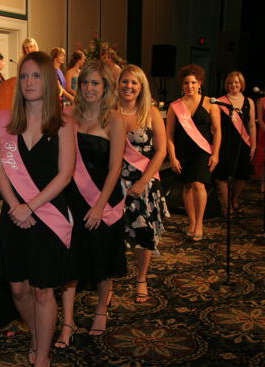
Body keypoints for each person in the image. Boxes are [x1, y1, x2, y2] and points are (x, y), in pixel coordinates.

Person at [0, 51, 75, 367]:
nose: (29, 82)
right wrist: (17, 206)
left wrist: (31, 206)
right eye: (24, 76)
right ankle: (38, 335)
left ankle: (42, 354)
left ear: (49, 81)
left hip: (48, 214)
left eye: (36, 76)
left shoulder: (64, 123)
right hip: (14, 214)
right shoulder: (7, 122)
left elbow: (65, 174)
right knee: (17, 288)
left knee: (43, 290)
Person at [54, 60, 126, 348]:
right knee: (69, 264)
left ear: (106, 87)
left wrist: (99, 206)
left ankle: (100, 311)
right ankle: (67, 322)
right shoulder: (68, 115)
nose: (89, 88)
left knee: (102, 261)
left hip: (102, 201)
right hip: (71, 200)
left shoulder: (115, 120)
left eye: (95, 83)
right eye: (85, 83)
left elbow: (115, 169)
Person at [117, 65, 169, 303]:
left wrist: (142, 182)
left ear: (141, 87)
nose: (128, 86)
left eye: (134, 82)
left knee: (143, 233)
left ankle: (141, 279)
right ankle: (108, 281)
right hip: (113, 183)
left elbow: (161, 152)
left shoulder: (152, 113)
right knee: (113, 235)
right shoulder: (109, 112)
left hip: (144, 184)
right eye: (125, 81)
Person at [166, 64, 221, 241]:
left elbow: (217, 130)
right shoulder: (175, 106)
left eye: (193, 82)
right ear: (182, 85)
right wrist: (173, 157)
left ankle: (199, 224)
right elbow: (170, 134)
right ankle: (191, 221)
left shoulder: (210, 104)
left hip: (203, 151)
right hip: (183, 152)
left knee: (199, 184)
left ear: (200, 84)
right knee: (187, 187)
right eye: (186, 83)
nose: (190, 86)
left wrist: (216, 154)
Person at [214, 71, 256, 214]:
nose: (234, 85)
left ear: (241, 84)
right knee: (223, 175)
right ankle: (226, 204)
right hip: (224, 143)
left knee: (242, 174)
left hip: (243, 143)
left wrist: (254, 144)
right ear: (227, 84)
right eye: (231, 82)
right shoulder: (220, 102)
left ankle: (234, 199)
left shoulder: (249, 102)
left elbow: (251, 125)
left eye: (236, 82)